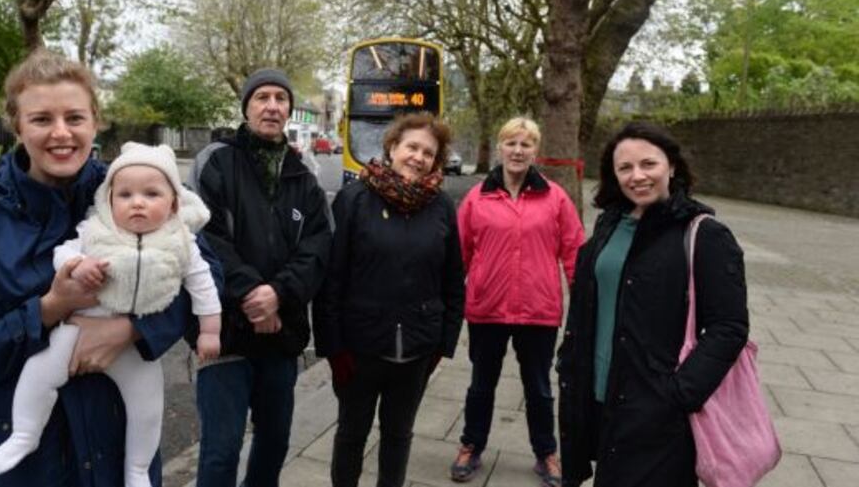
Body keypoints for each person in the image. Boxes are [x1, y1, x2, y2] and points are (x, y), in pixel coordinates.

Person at [0, 49, 221, 487]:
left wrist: (132, 329)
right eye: (41, 119)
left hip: (114, 461)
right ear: (17, 125)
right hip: (25, 472)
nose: (61, 133)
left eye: (74, 117)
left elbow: (204, 272)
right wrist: (48, 309)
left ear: (95, 121)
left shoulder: (131, 189)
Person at [0, 141, 222, 487]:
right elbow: (62, 252)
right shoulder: (95, 230)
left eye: (151, 194)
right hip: (79, 329)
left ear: (173, 204)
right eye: (124, 195)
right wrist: (77, 265)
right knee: (38, 372)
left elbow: (204, 285)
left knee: (147, 408)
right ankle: (25, 433)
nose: (137, 202)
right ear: (109, 201)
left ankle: (138, 470)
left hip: (134, 345)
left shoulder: (181, 240)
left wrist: (209, 331)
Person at [557, 122, 749, 487]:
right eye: (625, 168)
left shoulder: (705, 234)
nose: (637, 176)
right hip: (595, 397)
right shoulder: (609, 224)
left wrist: (678, 395)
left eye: (649, 164)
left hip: (656, 412)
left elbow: (729, 327)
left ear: (672, 166)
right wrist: (568, 360)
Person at [188, 68, 332, 487]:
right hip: (227, 334)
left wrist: (279, 295)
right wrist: (252, 294)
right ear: (247, 106)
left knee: (274, 444)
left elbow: (318, 246)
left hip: (280, 336)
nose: (272, 106)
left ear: (289, 109)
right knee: (220, 451)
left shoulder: (303, 174)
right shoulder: (215, 161)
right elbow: (201, 235)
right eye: (262, 97)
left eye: (280, 99)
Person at [313, 111, 466, 487]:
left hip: (416, 350)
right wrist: (333, 349)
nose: (418, 157)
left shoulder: (442, 207)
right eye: (411, 147)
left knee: (398, 437)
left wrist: (441, 346)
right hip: (359, 349)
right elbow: (331, 281)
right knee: (351, 435)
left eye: (428, 152)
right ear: (392, 147)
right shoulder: (354, 199)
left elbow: (453, 282)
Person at [450, 117, 584, 485]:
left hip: (538, 311)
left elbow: (574, 253)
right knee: (481, 384)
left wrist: (583, 306)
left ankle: (546, 453)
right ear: (500, 147)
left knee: (539, 387)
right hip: (486, 308)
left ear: (535, 151)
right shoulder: (477, 198)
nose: (518, 150)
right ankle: (471, 445)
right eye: (511, 143)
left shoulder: (555, 198)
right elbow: (458, 254)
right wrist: (447, 301)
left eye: (526, 144)